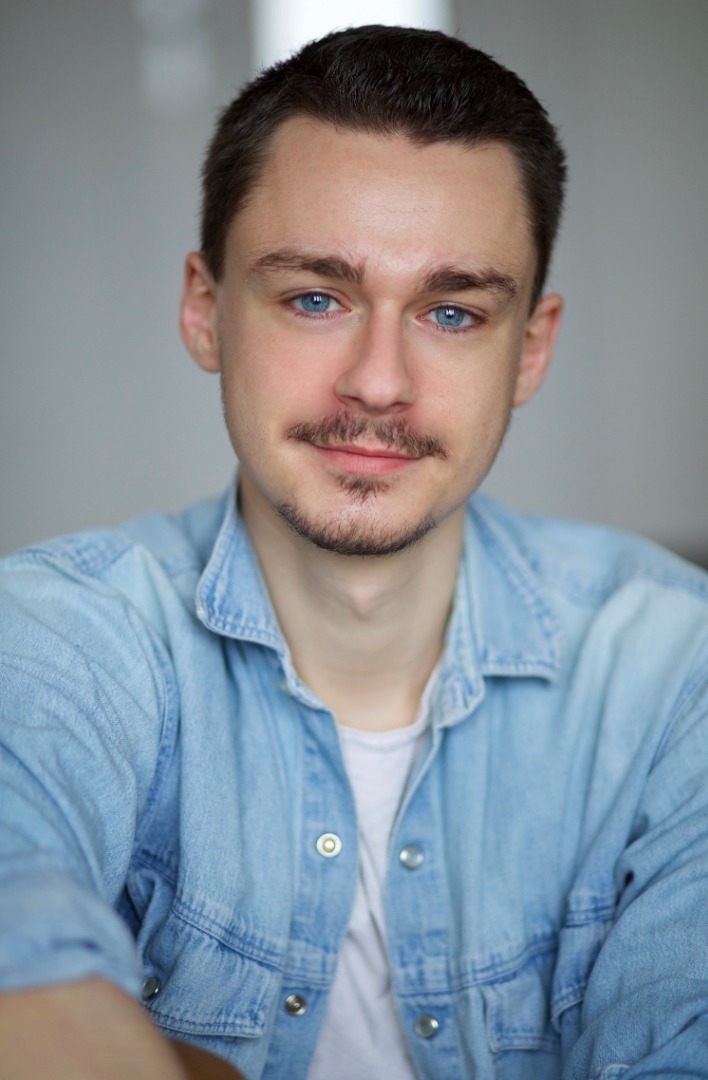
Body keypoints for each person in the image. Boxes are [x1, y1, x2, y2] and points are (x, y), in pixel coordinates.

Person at [1, 22, 707, 1080]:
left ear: (531, 349)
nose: (379, 382)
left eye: (453, 312)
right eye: (316, 298)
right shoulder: (53, 640)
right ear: (205, 311)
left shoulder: (676, 671)